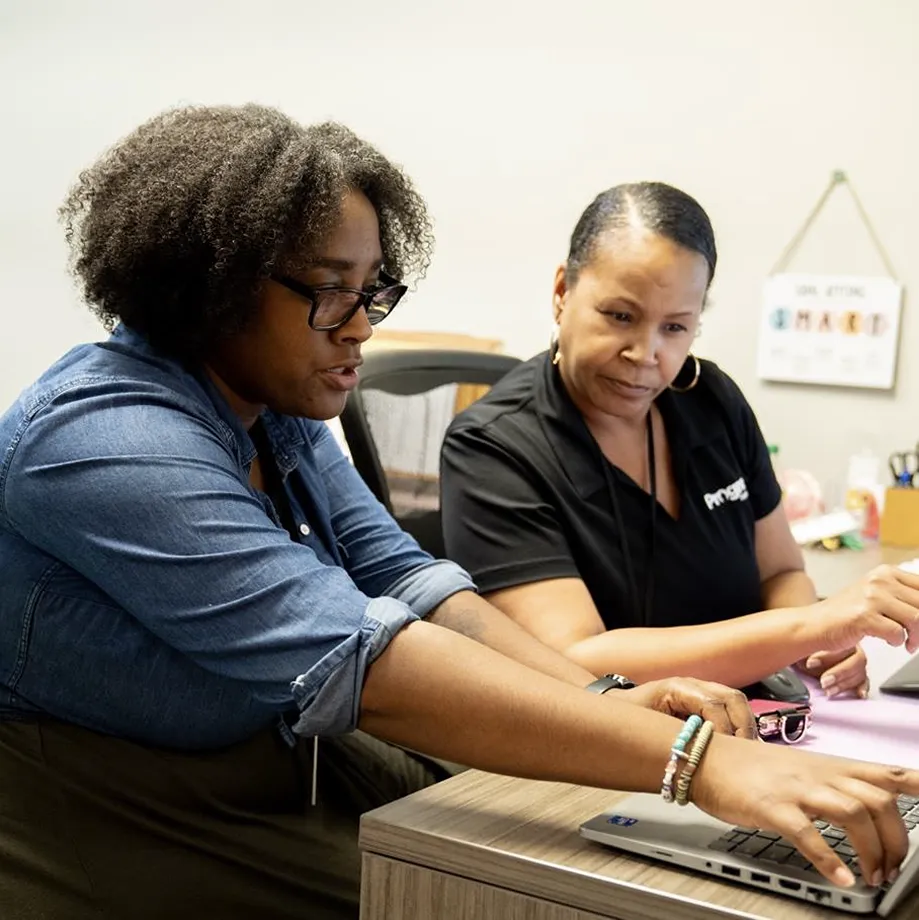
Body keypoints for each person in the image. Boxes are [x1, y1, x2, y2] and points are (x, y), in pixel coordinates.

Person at [0, 110, 916, 920]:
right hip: (115, 789)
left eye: (374, 290)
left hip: (279, 743)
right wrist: (695, 761)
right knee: (483, 894)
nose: (361, 326)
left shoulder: (270, 404)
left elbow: (408, 577)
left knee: (577, 835)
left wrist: (604, 703)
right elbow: (366, 657)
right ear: (213, 284)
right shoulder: (105, 442)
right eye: (332, 291)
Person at [440, 181, 919, 701]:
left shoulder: (711, 400)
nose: (646, 353)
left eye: (675, 327)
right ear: (562, 292)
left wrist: (821, 642)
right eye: (620, 316)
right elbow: (576, 658)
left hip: (747, 717)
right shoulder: (492, 447)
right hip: (609, 741)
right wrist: (808, 627)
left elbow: (781, 571)